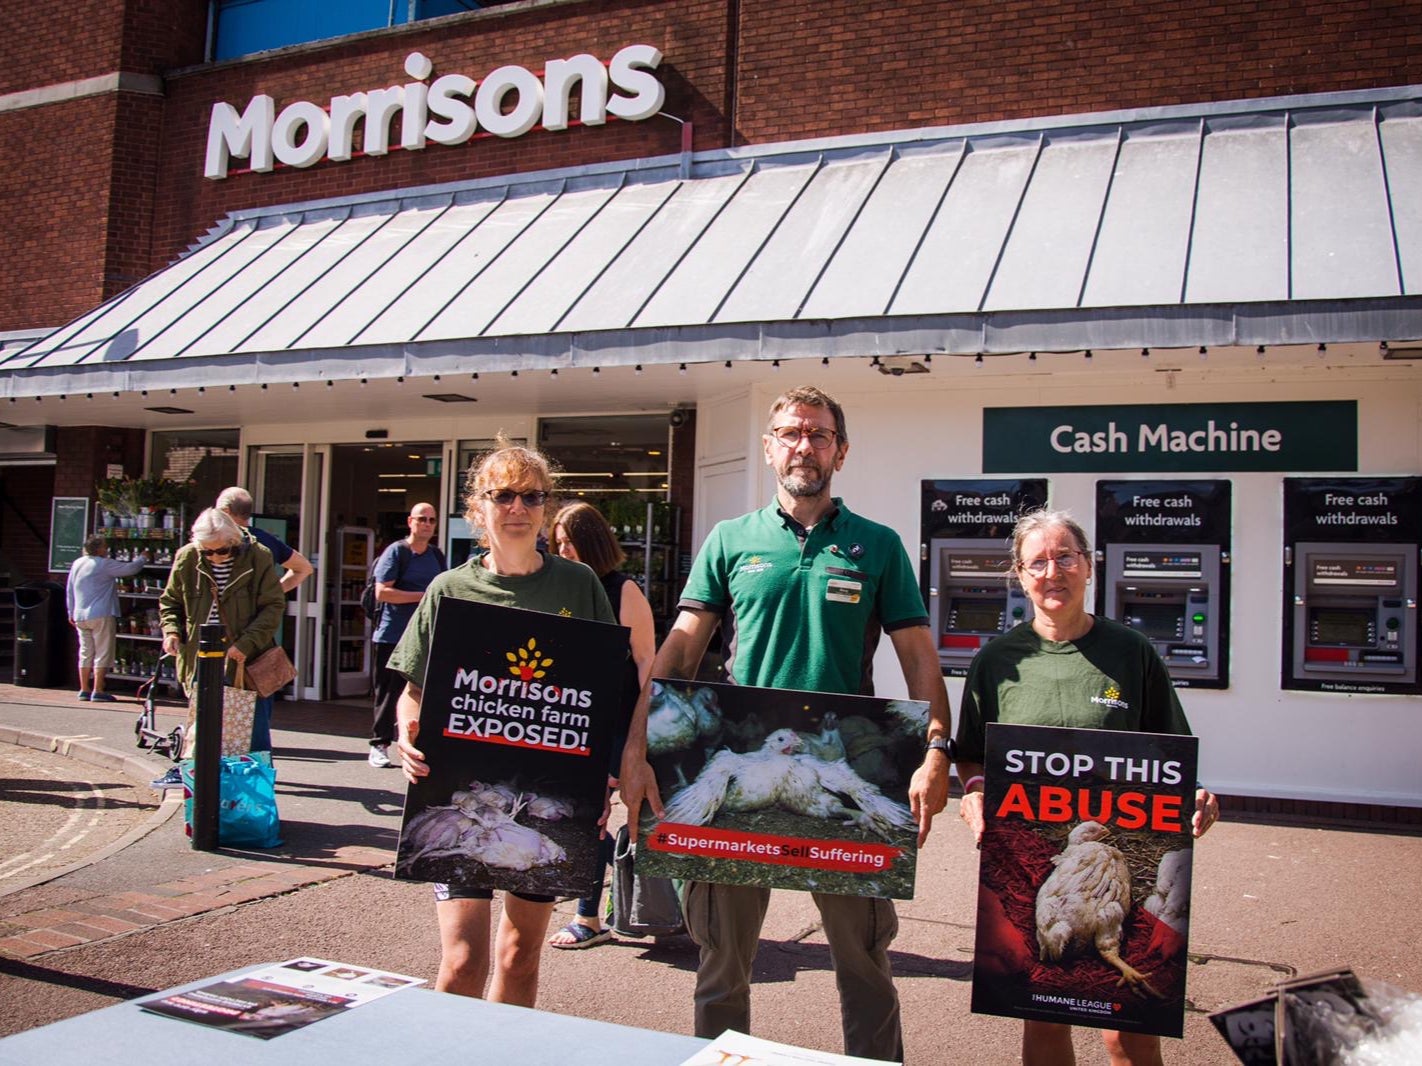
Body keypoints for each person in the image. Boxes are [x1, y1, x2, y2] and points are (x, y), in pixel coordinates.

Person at [619, 385, 953, 1062]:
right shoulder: (730, 540)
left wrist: (937, 750)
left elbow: (919, 658)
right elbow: (680, 652)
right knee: (722, 964)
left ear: (842, 451)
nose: (806, 445)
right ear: (770, 447)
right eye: (792, 433)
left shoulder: (877, 546)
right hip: (740, 761)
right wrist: (635, 748)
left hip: (843, 769)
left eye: (820, 434)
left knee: (863, 962)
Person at [953, 508, 1221, 1066]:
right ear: (1020, 576)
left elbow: (1170, 751)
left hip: (1118, 857)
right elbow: (973, 754)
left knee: (1128, 1030)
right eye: (1038, 562)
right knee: (1044, 1016)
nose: (1053, 572)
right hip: (1037, 865)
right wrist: (976, 791)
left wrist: (1193, 793)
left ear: (1089, 566)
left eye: (1065, 557)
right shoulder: (997, 662)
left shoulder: (1132, 653)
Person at [390, 441, 617, 1006]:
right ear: (479, 507)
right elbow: (412, 693)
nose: (517, 507)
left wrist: (603, 779)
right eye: (503, 495)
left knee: (519, 958)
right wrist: (405, 735)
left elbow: (601, 692)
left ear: (546, 507)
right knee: (463, 962)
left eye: (532, 496)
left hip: (545, 796)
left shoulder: (579, 585)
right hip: (458, 795)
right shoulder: (449, 589)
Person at [545, 502, 656, 950]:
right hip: (572, 720)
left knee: (595, 816)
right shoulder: (558, 588)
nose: (562, 551)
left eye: (569, 542)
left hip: (616, 723)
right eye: (557, 544)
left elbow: (648, 660)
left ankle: (588, 917)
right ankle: (636, 895)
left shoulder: (622, 590)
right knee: (583, 817)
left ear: (592, 542)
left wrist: (644, 733)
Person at [156, 508, 285, 780]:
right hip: (200, 658)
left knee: (252, 736)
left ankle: (253, 801)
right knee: (201, 734)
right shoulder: (188, 557)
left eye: (222, 551)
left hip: (245, 663)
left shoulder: (258, 556)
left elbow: (273, 607)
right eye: (208, 552)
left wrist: (246, 645)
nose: (215, 557)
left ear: (234, 541)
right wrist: (172, 632)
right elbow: (170, 602)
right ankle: (200, 794)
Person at [368, 502, 446, 769]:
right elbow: (382, 592)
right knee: (389, 694)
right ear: (410, 521)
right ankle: (379, 744)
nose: (426, 524)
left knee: (420, 695)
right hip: (392, 634)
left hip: (424, 638)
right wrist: (423, 597)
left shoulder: (436, 556)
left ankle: (415, 743)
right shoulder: (397, 552)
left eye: (432, 520)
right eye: (422, 518)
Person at [66, 534, 148, 702]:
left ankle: (84, 689)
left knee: (85, 652)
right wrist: (142, 558)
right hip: (101, 613)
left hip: (80, 614)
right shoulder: (103, 564)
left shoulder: (77, 564)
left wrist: (70, 612)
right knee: (103, 651)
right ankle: (98, 689)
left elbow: (69, 590)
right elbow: (130, 569)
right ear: (99, 549)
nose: (107, 549)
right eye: (104, 546)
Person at [216, 486, 314, 595]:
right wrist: (272, 593)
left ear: (226, 511)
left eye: (216, 512)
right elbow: (304, 568)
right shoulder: (266, 539)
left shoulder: (214, 540)